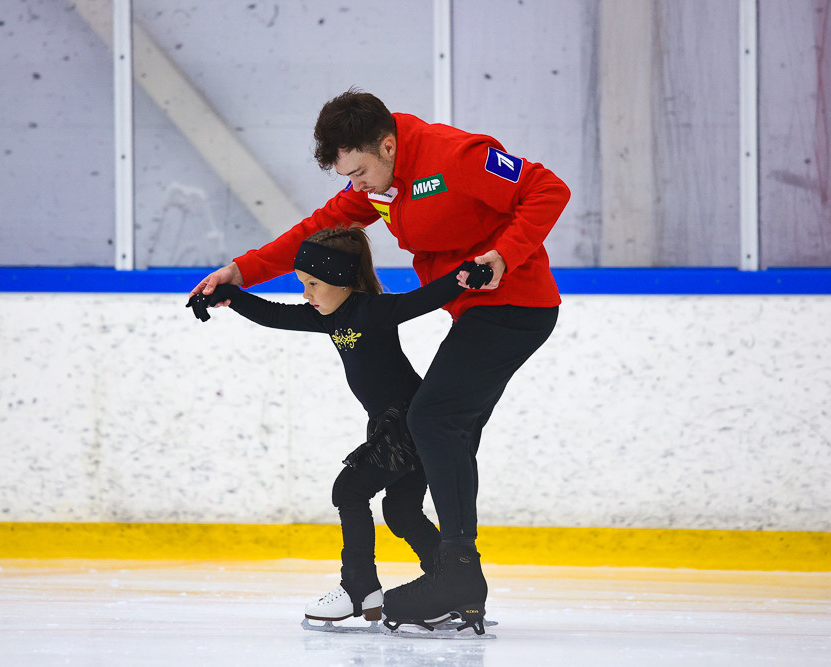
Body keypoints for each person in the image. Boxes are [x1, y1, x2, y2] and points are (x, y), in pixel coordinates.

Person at [191, 88, 570, 634]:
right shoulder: (378, 185)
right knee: (444, 427)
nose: (357, 185)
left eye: (361, 171)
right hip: (479, 313)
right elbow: (312, 232)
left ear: (389, 146)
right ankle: (456, 577)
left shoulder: (456, 156)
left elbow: (547, 189)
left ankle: (457, 573)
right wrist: (240, 272)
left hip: (515, 305)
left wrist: (504, 256)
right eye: (348, 176)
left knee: (434, 419)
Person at [187, 226, 493, 629]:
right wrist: (230, 295)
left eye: (313, 284)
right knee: (399, 510)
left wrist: (465, 276)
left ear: (343, 281)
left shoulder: (373, 311)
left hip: (407, 424)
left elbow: (423, 299)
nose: (306, 294)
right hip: (393, 429)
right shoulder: (328, 316)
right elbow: (275, 314)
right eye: (302, 283)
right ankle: (456, 587)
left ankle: (359, 587)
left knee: (348, 490)